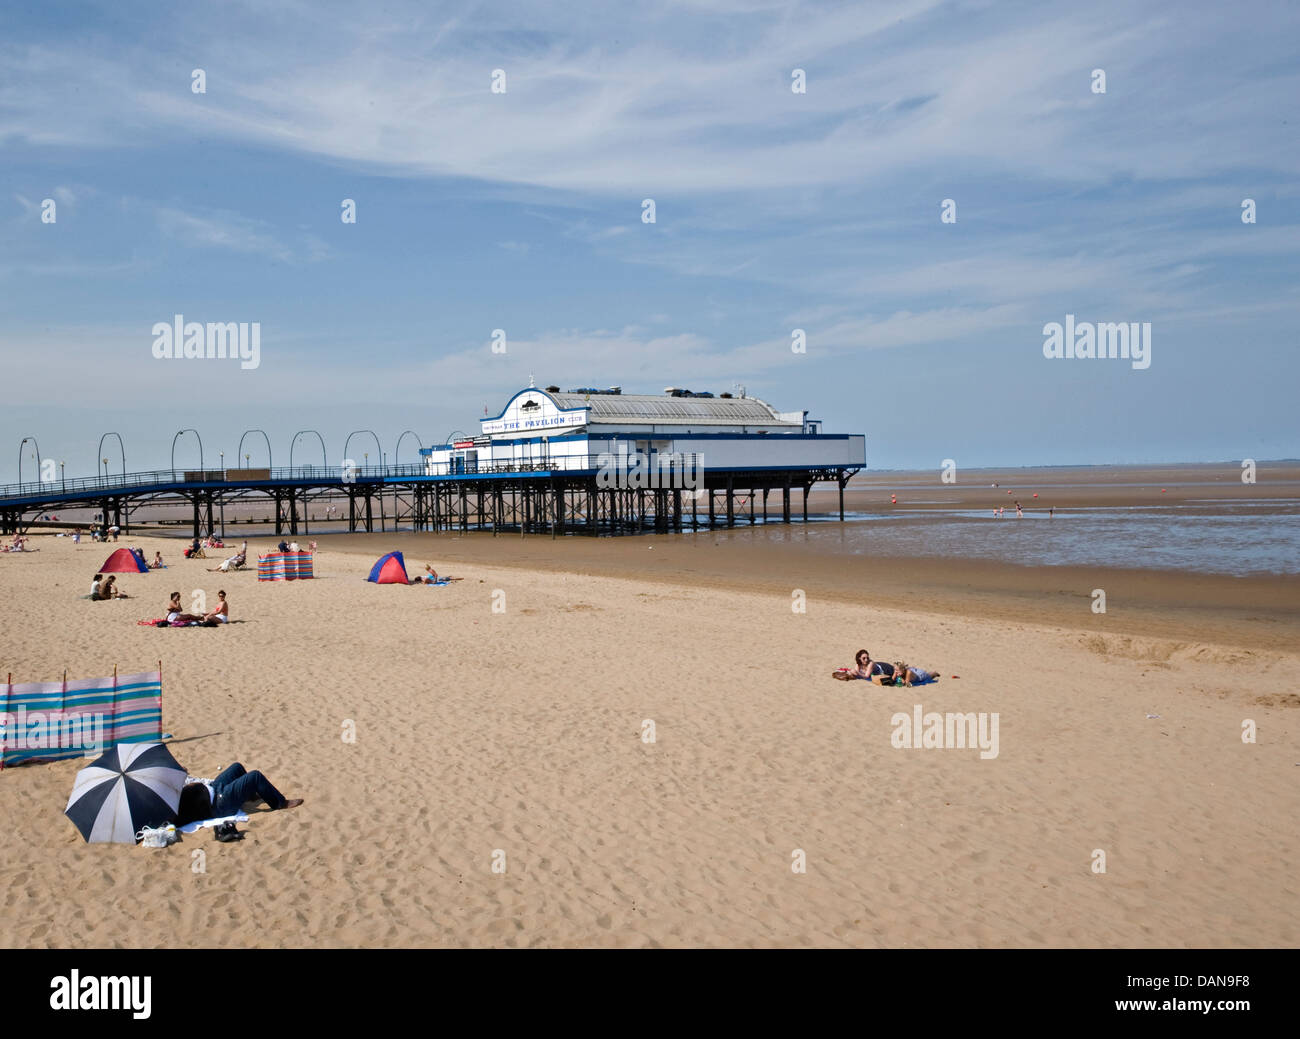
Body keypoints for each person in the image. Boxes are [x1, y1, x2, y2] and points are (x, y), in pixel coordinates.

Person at [175, 762, 303, 825]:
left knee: (237, 768)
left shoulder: (169, 793)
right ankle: (280, 803)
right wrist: (180, 778)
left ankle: (249, 795)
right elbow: (185, 813)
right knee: (255, 776)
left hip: (212, 789)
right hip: (218, 804)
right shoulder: (170, 808)